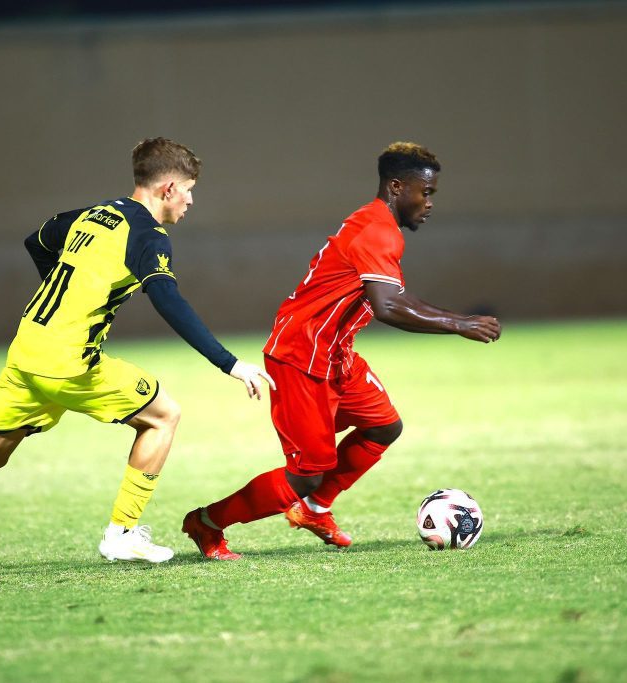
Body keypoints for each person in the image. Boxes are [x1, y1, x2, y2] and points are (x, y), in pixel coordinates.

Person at [0, 138, 274, 581]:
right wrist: (230, 364)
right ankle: (123, 532)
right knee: (163, 416)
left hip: (27, 351)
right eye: (189, 189)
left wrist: (69, 293)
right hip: (69, 361)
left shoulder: (94, 215)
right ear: (168, 188)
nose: (191, 200)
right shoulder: (148, 236)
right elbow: (169, 300)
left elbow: (37, 240)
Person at [182, 141, 501, 560]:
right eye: (426, 193)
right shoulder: (377, 231)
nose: (429, 203)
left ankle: (314, 510)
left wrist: (455, 319)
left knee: (384, 426)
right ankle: (206, 522)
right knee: (306, 474)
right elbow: (388, 308)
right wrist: (458, 324)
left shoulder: (377, 226)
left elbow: (396, 297)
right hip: (301, 357)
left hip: (335, 354)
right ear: (396, 186)